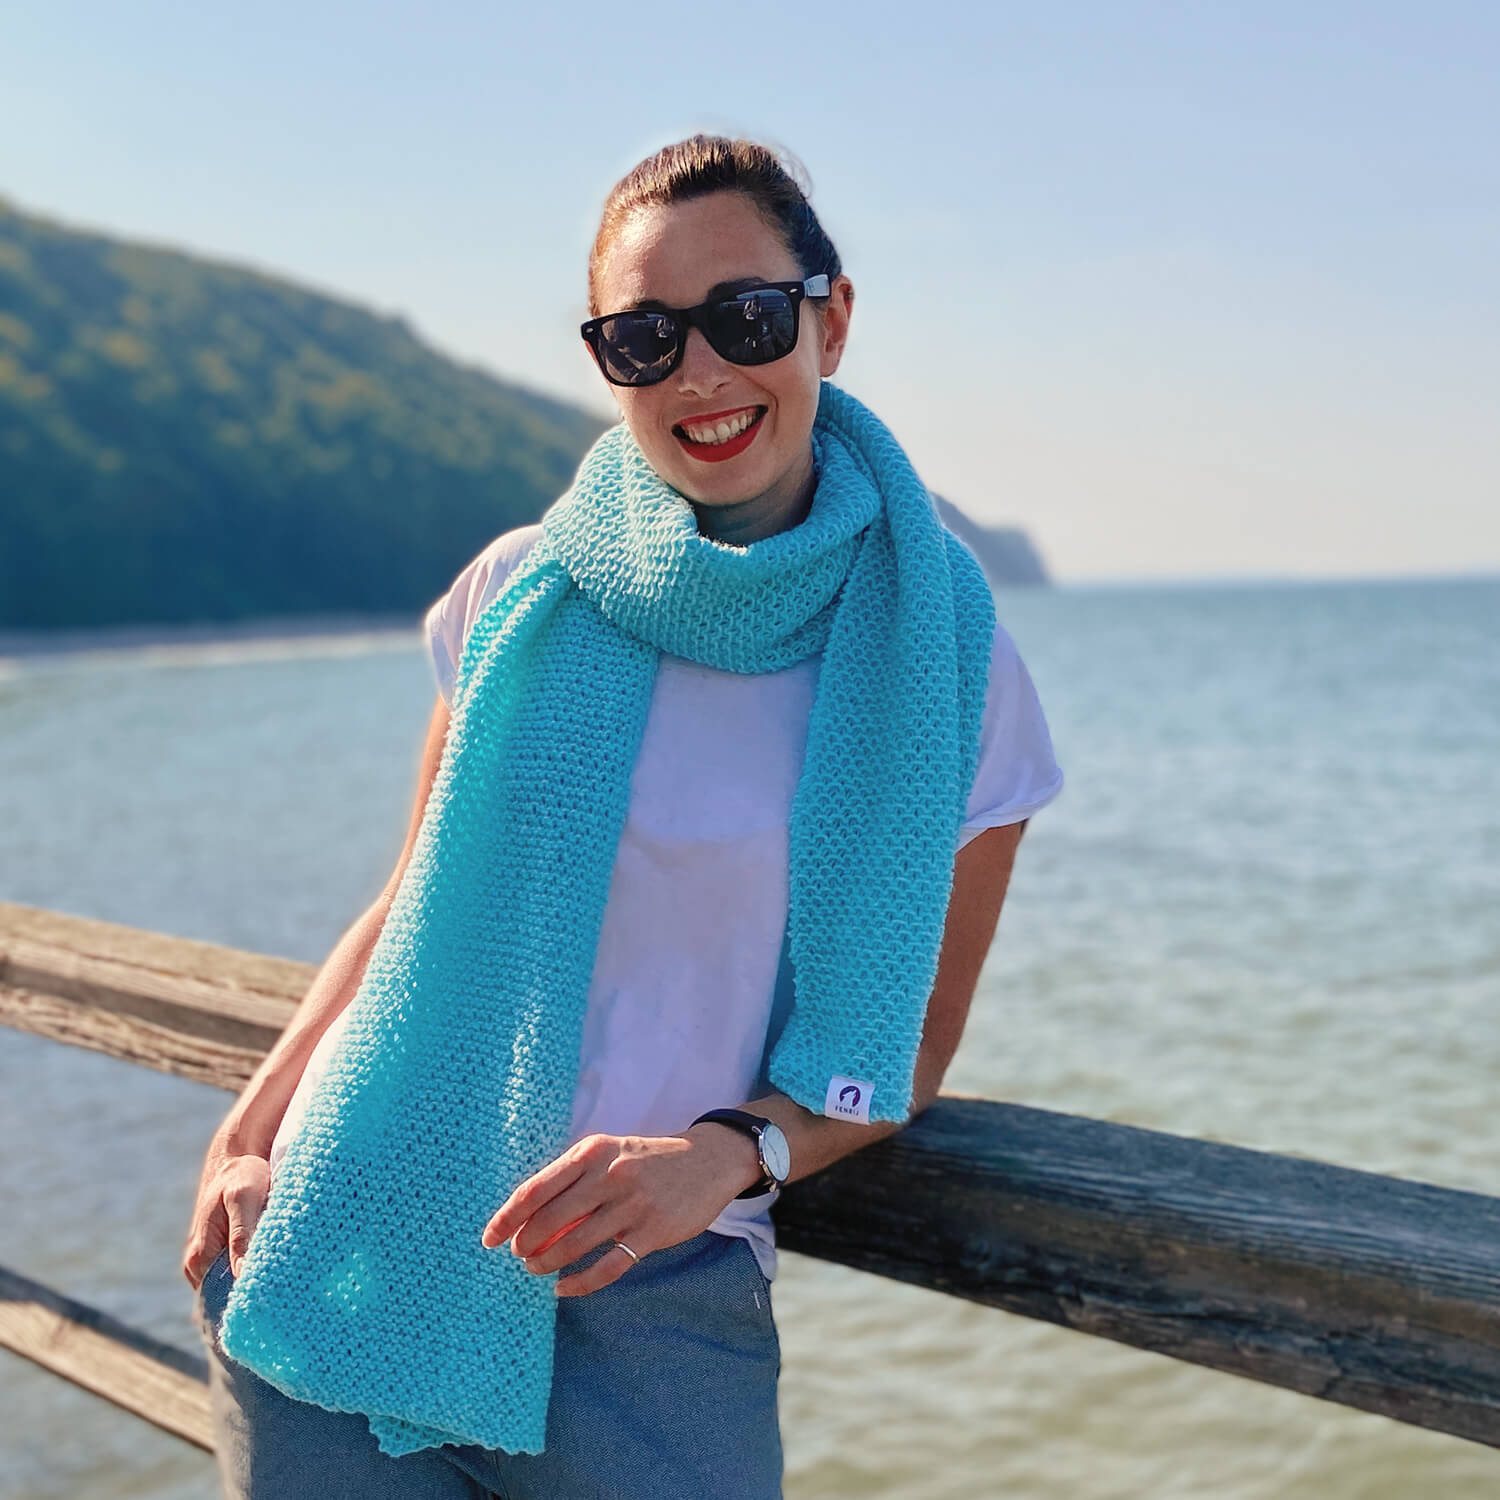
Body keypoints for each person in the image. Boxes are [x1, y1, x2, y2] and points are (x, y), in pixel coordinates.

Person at [182, 133, 1063, 1500]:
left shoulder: (949, 662)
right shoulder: (518, 590)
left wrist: (729, 1155)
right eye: (645, 338)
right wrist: (247, 1137)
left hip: (654, 1292)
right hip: (345, 1233)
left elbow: (908, 1055)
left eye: (745, 317)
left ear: (831, 318)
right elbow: (407, 903)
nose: (700, 373)